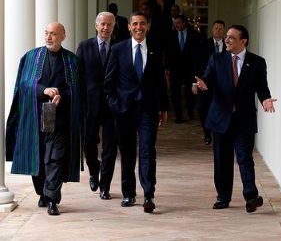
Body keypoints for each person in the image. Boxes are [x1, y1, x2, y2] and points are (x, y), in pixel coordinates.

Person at [193, 25, 276, 213]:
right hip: (220, 118)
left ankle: (251, 197)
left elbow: (262, 87)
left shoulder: (257, 62)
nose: (226, 40)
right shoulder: (217, 59)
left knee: (245, 158)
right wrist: (201, 85)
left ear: (243, 41)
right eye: (226, 37)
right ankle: (223, 197)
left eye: (231, 37)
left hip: (244, 119)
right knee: (222, 159)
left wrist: (265, 99)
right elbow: (207, 79)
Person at [6, 22, 84, 216]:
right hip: (35, 118)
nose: (49, 37)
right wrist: (43, 90)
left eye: (54, 34)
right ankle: (42, 193)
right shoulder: (31, 57)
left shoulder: (73, 61)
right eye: (47, 33)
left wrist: (61, 96)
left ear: (63, 36)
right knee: (39, 158)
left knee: (55, 159)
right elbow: (24, 85)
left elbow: (77, 89)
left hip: (60, 119)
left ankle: (52, 199)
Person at [104, 11, 168, 213]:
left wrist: (163, 108)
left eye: (142, 24)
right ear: (129, 27)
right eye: (135, 24)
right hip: (124, 110)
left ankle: (149, 194)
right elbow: (108, 83)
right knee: (128, 153)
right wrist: (115, 104)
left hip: (148, 110)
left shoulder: (155, 50)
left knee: (148, 151)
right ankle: (128, 194)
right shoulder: (118, 49)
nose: (138, 27)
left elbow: (160, 82)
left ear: (147, 26)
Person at [76, 12, 118, 200]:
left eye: (109, 24)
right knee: (88, 143)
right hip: (90, 105)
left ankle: (105, 186)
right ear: (96, 25)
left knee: (110, 146)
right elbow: (77, 77)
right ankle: (94, 170)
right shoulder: (84, 47)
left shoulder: (120, 47)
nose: (105, 28)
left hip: (112, 105)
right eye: (102, 24)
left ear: (114, 26)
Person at [165, 14, 202, 123]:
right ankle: (178, 115)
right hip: (175, 68)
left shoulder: (194, 34)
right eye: (175, 23)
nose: (176, 25)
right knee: (175, 93)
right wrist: (167, 67)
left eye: (178, 23)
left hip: (189, 68)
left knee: (189, 92)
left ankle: (190, 111)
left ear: (184, 23)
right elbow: (167, 52)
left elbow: (197, 53)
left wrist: (196, 68)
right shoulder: (170, 35)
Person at [198, 20, 226, 145]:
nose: (218, 30)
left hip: (224, 83)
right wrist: (195, 83)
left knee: (221, 108)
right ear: (212, 30)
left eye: (221, 28)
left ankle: (219, 132)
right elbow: (197, 63)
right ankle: (207, 133)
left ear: (223, 30)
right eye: (216, 28)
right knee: (203, 108)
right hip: (206, 82)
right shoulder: (204, 44)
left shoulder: (229, 44)